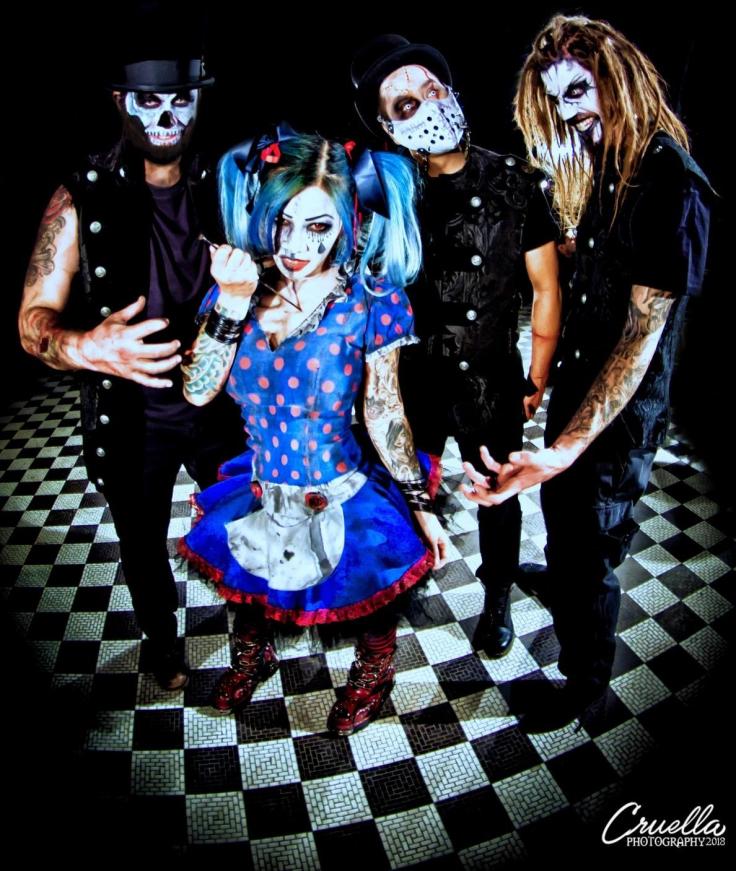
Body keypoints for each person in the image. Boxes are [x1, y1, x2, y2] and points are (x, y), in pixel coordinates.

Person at [463, 15, 713, 724]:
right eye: (557, 97)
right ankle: (569, 577)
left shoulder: (673, 185)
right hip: (578, 386)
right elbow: (608, 265)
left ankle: (583, 684)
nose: (569, 110)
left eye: (578, 90)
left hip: (617, 418)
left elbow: (640, 335)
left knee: (588, 544)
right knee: (569, 526)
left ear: (618, 77)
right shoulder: (611, 163)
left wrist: (565, 448)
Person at [178, 130, 450, 736]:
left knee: (370, 586)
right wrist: (231, 301)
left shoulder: (371, 300)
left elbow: (384, 410)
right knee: (250, 580)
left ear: (349, 223)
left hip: (340, 487)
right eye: (283, 222)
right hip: (260, 484)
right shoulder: (238, 290)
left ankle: (374, 671)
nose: (296, 246)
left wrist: (420, 506)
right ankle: (254, 656)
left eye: (319, 227)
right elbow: (197, 390)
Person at [17, 49, 244, 690]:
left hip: (221, 405)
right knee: (142, 541)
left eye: (181, 100)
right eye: (149, 100)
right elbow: (32, 319)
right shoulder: (81, 195)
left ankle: (253, 634)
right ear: (121, 102)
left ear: (199, 102)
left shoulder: (229, 184)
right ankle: (163, 642)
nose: (167, 117)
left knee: (245, 523)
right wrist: (86, 347)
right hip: (133, 414)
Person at [350, 35, 561, 658]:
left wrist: (537, 375)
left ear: (454, 91)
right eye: (404, 104)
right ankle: (397, 584)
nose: (426, 106)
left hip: (490, 377)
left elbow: (546, 288)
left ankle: (497, 598)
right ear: (389, 127)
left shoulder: (515, 182)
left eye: (431, 89)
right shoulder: (385, 192)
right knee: (401, 488)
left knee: (498, 495)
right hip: (412, 381)